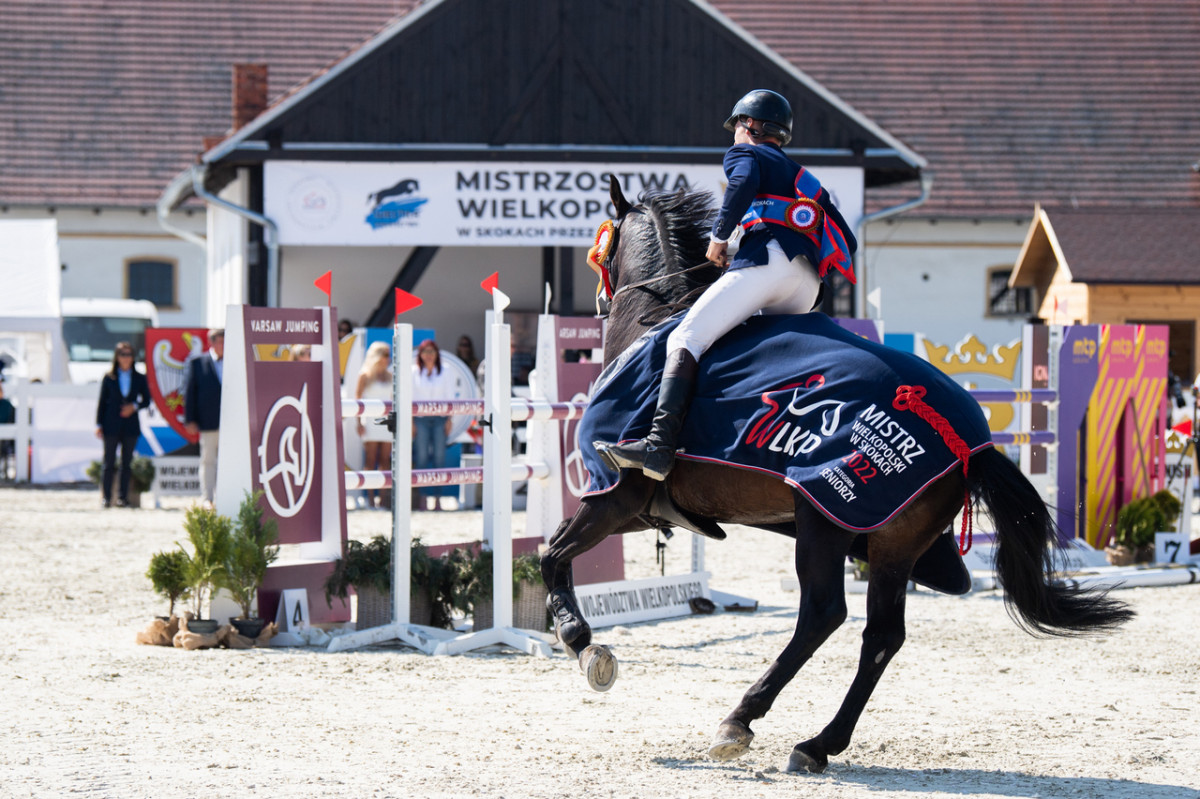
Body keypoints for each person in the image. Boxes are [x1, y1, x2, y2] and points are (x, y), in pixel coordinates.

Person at [597, 89, 857, 481]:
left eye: (737, 124)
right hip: (806, 284)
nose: (735, 132)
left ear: (750, 126)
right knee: (759, 357)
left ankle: (658, 446)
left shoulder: (746, 154)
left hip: (768, 265)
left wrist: (718, 239)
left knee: (686, 337)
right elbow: (847, 241)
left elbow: (743, 183)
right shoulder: (802, 176)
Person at [94, 342, 151, 507]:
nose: (126, 358)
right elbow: (102, 403)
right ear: (117, 357)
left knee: (127, 463)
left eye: (129, 354)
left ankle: (123, 497)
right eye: (123, 354)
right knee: (108, 462)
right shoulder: (109, 377)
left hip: (130, 425)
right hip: (111, 424)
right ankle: (106, 497)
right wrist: (99, 424)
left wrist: (133, 407)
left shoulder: (139, 377)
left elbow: (146, 400)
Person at [412, 339, 456, 511]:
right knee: (421, 457)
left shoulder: (445, 371)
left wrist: (450, 419)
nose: (429, 356)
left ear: (437, 354)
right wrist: (411, 421)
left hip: (440, 418)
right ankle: (422, 498)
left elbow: (450, 395)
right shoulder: (414, 372)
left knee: (439, 458)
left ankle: (437, 499)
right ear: (420, 355)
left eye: (432, 352)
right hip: (420, 419)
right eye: (425, 352)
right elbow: (411, 397)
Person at [184, 329, 224, 506]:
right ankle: (207, 498)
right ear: (212, 342)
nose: (223, 345)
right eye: (220, 341)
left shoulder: (237, 361)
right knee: (208, 460)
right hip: (208, 420)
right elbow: (190, 393)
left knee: (228, 460)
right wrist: (190, 418)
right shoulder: (198, 363)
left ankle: (224, 495)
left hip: (231, 423)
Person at [356, 341, 394, 509]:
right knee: (370, 460)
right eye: (385, 354)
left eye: (389, 354)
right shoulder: (364, 375)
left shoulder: (390, 376)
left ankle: (383, 499)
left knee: (385, 460)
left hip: (386, 423)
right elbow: (357, 400)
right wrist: (358, 422)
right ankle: (370, 498)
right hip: (370, 421)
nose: (388, 358)